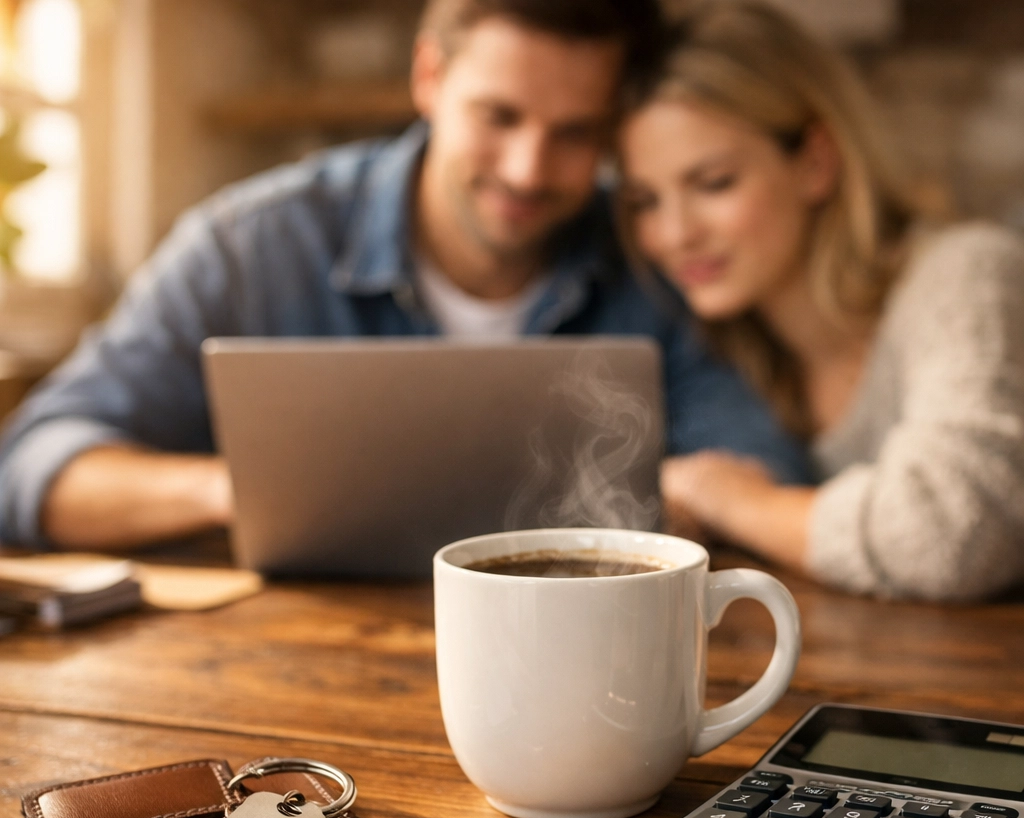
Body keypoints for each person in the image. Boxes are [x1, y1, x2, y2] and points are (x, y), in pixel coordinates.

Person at [0, 0, 810, 554]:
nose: (528, 170)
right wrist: (245, 489)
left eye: (575, 134)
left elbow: (759, 468)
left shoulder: (654, 253)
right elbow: (33, 468)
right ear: (429, 77)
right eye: (499, 117)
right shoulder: (252, 246)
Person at [619, 0, 1024, 602]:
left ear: (815, 162)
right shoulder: (727, 341)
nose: (675, 234)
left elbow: (951, 534)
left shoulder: (964, 274)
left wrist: (735, 499)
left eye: (714, 183)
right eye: (646, 201)